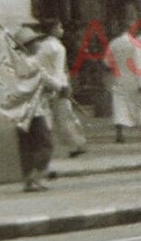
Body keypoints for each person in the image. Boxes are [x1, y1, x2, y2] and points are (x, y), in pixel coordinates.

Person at [13, 24, 63, 192]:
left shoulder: (15, 63)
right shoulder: (32, 62)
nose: (38, 44)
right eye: (34, 42)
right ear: (27, 45)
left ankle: (28, 179)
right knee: (45, 143)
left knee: (27, 146)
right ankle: (35, 177)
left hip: (19, 111)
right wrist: (60, 87)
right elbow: (47, 79)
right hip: (34, 110)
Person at [37, 19, 86, 159]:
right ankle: (76, 144)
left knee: (48, 116)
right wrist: (63, 86)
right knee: (66, 116)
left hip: (46, 84)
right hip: (58, 84)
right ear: (53, 29)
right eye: (60, 27)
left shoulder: (41, 46)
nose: (62, 30)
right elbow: (59, 70)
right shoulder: (57, 47)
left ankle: (50, 146)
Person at [108, 20, 141, 143]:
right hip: (134, 79)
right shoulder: (135, 44)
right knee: (140, 105)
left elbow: (107, 62)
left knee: (119, 106)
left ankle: (120, 133)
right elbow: (139, 64)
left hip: (119, 78)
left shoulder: (113, 44)